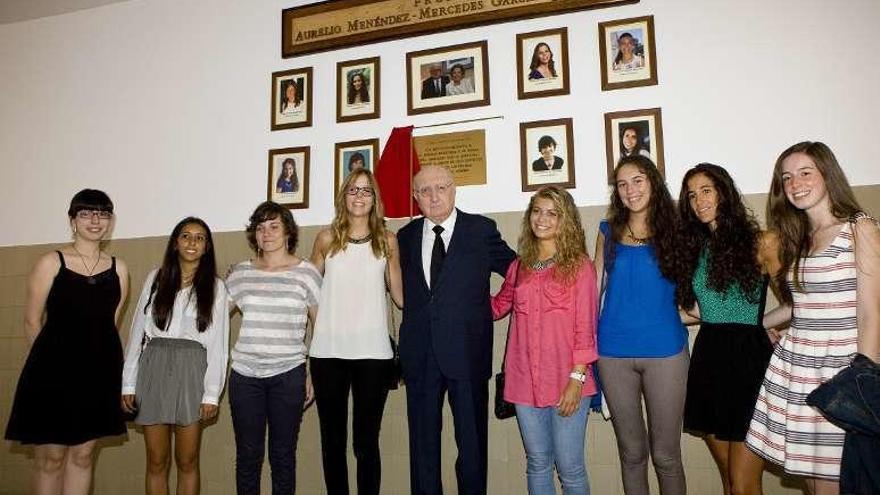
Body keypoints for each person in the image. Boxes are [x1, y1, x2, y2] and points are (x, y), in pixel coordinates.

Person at [746, 141, 880, 495]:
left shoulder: (860, 228)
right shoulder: (801, 239)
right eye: (787, 177)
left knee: (839, 483)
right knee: (812, 482)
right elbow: (802, 304)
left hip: (839, 372)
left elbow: (872, 309)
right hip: (797, 370)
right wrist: (758, 326)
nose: (795, 183)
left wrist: (862, 378)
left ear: (827, 175)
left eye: (806, 173)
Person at [397, 165, 515, 495]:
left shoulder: (480, 229)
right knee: (423, 451)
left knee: (473, 449)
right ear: (415, 197)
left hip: (467, 355)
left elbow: (517, 270)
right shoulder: (404, 237)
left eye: (441, 188)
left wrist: (497, 305)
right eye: (424, 190)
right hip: (420, 357)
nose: (434, 196)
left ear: (454, 189)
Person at [5, 189, 130, 495]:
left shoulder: (120, 269)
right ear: (73, 220)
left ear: (110, 221)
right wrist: (50, 367)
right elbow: (32, 322)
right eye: (86, 213)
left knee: (84, 456)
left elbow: (109, 324)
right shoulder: (51, 262)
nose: (95, 220)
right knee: (51, 459)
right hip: (52, 375)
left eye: (102, 213)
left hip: (98, 375)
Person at [676, 164, 782, 495]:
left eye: (706, 190)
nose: (699, 200)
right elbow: (700, 311)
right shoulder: (698, 249)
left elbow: (796, 303)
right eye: (692, 195)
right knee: (729, 480)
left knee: (744, 483)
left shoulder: (763, 242)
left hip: (749, 363)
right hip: (709, 359)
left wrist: (759, 325)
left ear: (724, 192)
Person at [491, 186, 598, 495]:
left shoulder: (580, 267)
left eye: (552, 213)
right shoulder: (519, 266)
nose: (542, 218)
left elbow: (585, 328)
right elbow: (498, 306)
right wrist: (460, 298)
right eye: (537, 211)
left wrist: (576, 380)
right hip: (524, 382)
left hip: (568, 381)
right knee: (537, 462)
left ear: (565, 220)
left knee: (570, 468)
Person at [594, 156, 688, 495]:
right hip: (612, 354)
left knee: (666, 456)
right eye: (622, 184)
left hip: (666, 354)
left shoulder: (677, 229)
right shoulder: (608, 231)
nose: (630, 190)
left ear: (653, 181)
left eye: (638, 180)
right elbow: (594, 289)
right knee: (631, 453)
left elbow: (697, 297)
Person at [309, 169, 403, 495]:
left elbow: (401, 297)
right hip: (327, 354)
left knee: (365, 443)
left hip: (374, 355)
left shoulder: (388, 240)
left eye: (366, 191)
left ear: (375, 198)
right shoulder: (324, 238)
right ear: (343, 197)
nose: (359, 196)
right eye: (353, 190)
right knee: (332, 443)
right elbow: (307, 291)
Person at [121, 217, 230, 495]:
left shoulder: (216, 288)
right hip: (153, 367)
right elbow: (136, 334)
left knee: (188, 460)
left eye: (200, 237)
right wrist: (128, 383)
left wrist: (211, 393)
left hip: (193, 371)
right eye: (185, 236)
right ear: (175, 243)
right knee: (156, 460)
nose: (192, 242)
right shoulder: (155, 279)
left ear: (207, 247)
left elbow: (219, 346)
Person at [226, 201, 322, 494]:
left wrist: (312, 374)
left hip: (288, 375)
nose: (266, 233)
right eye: (260, 227)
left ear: (288, 232)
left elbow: (322, 329)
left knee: (282, 457)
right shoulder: (240, 273)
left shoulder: (307, 273)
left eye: (273, 226)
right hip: (244, 377)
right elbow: (213, 319)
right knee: (248, 457)